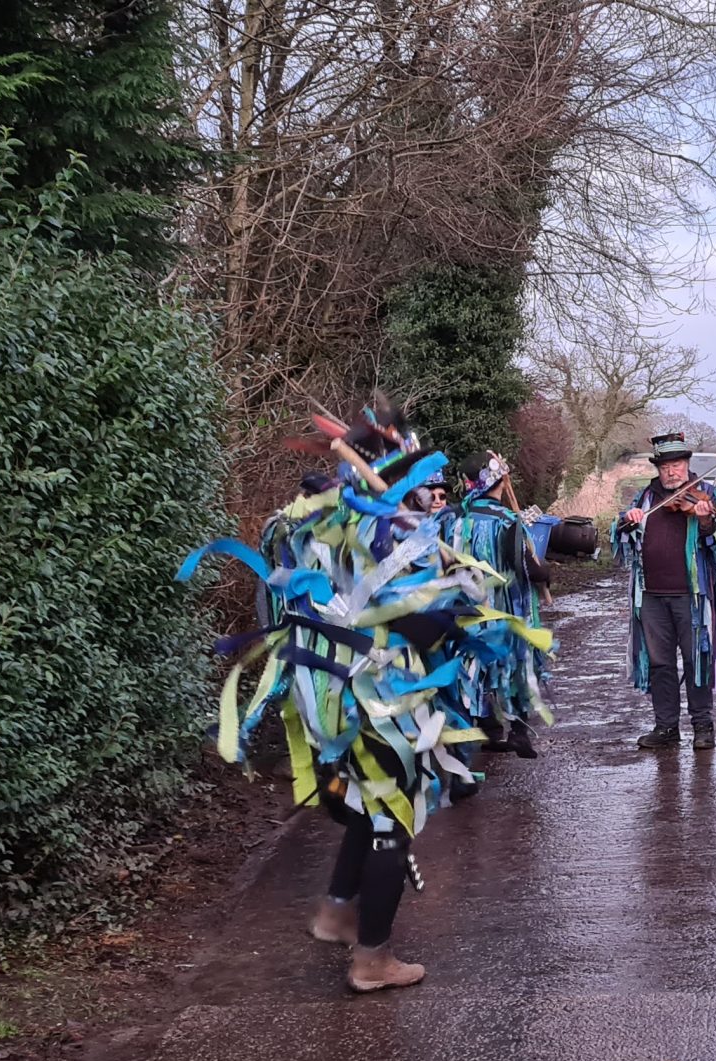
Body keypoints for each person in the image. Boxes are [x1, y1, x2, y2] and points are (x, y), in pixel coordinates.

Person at [178, 403, 544, 993]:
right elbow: (414, 624)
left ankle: (335, 914)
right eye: (416, 475)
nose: (427, 488)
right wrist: (459, 601)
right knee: (391, 817)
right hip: (376, 700)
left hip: (329, 701)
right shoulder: (385, 535)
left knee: (368, 806)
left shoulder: (312, 524)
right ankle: (373, 959)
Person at [616, 432, 716, 751]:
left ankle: (703, 726)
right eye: (666, 467)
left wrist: (706, 522)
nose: (672, 472)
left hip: (693, 596)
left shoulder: (706, 494)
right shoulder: (645, 497)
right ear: (658, 469)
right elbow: (622, 536)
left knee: (697, 660)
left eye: (677, 465)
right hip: (651, 595)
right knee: (660, 663)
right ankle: (666, 727)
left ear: (687, 465)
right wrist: (628, 521)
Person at [447, 453, 554, 765]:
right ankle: (518, 729)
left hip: (467, 609)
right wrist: (543, 573)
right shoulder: (508, 521)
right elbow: (524, 567)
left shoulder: (457, 521)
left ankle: (482, 730)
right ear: (500, 482)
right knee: (515, 662)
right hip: (506, 609)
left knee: (473, 665)